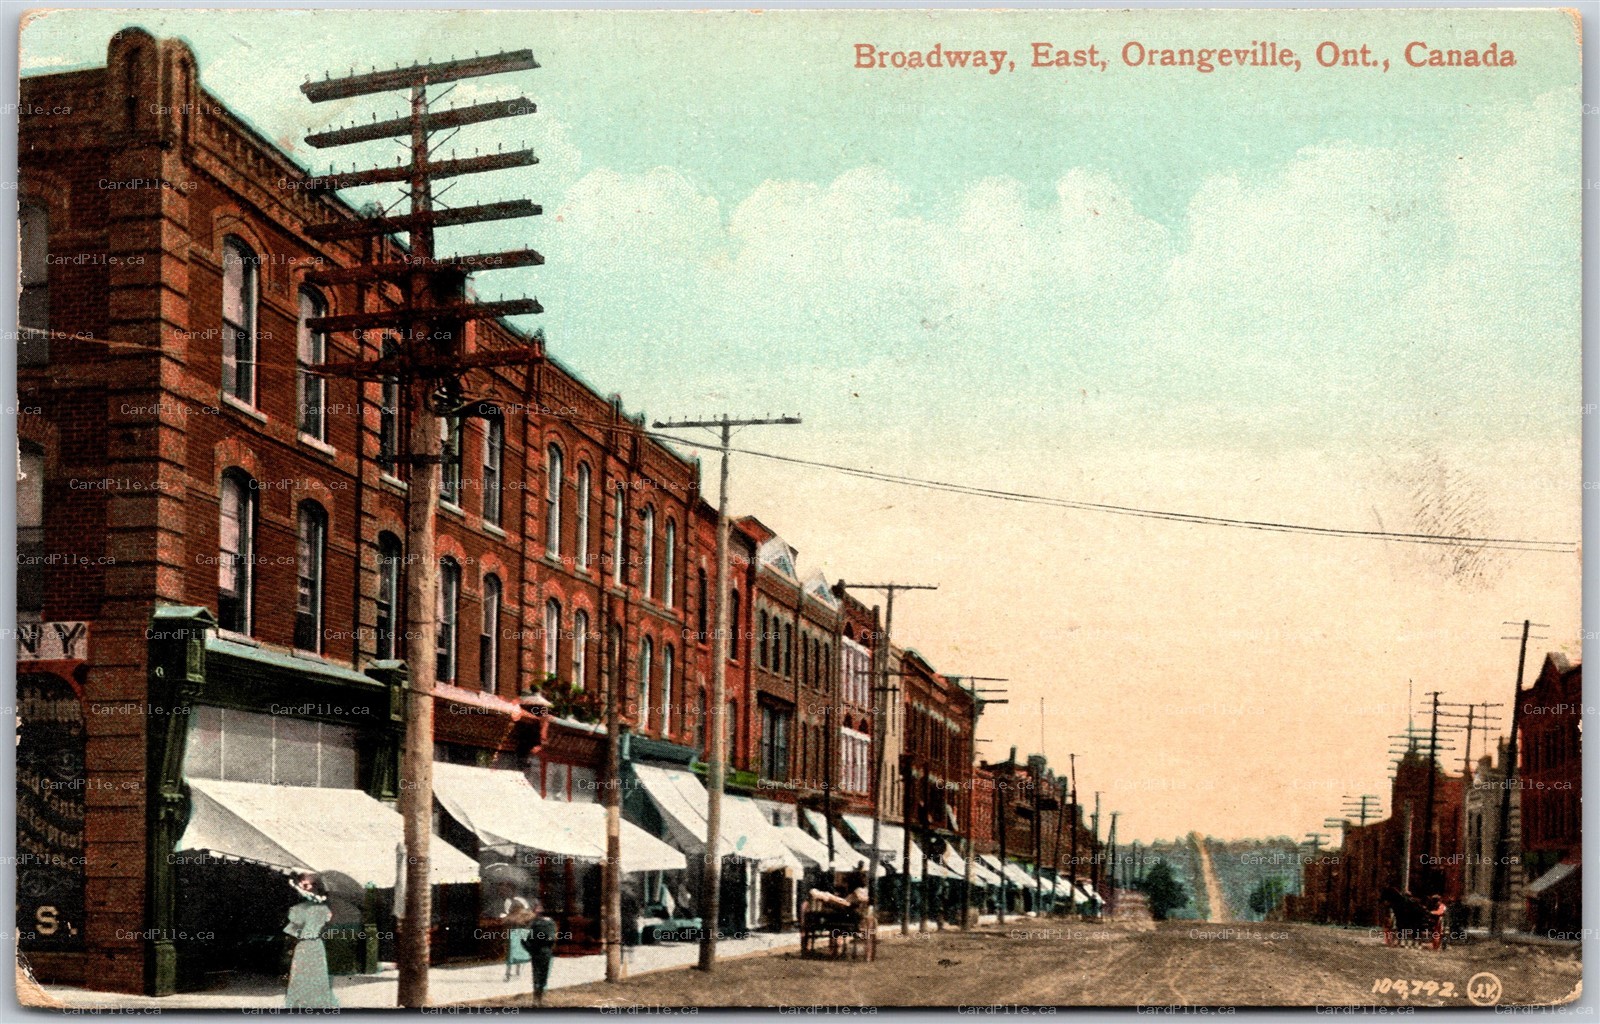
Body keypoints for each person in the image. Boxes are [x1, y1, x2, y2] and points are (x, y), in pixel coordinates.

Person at [283, 872, 338, 1009]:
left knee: (308, 975)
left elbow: (292, 930)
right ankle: (312, 1004)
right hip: (314, 943)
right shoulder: (322, 909)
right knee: (311, 975)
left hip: (308, 944)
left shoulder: (301, 909)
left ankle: (305, 1004)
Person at [521, 900, 559, 1004]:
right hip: (544, 951)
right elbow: (553, 938)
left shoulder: (533, 923)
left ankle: (536, 998)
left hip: (537, 951)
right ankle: (539, 998)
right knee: (542, 974)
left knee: (537, 974)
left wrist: (530, 949)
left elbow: (523, 939)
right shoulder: (550, 923)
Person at [498, 882, 533, 981]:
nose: (503, 892)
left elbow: (528, 914)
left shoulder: (520, 901)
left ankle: (517, 972)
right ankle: (508, 972)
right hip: (511, 929)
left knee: (518, 950)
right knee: (510, 951)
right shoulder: (507, 901)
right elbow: (505, 916)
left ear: (512, 890)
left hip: (521, 929)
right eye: (502, 890)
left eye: (505, 889)